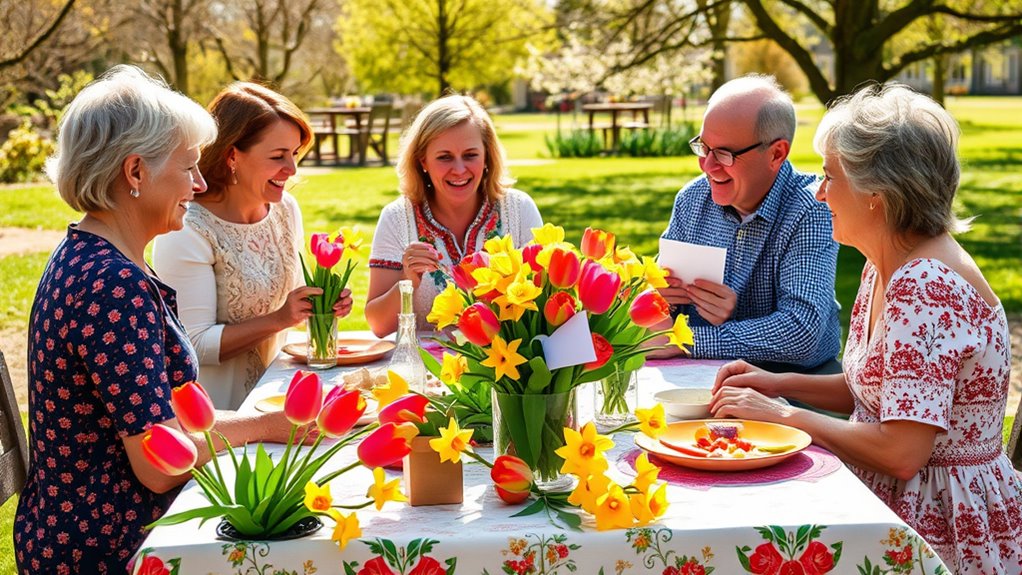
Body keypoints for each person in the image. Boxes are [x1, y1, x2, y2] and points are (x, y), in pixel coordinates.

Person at [711, 84, 1022, 573]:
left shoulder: (924, 286)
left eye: (830, 177)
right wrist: (777, 383)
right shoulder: (887, 264)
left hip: (937, 530)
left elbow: (902, 452)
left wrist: (787, 415)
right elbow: (880, 390)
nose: (818, 193)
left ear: (876, 194)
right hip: (894, 505)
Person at [14, 66, 297, 575]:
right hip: (108, 547)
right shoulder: (111, 284)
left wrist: (275, 423)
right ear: (136, 172)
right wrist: (270, 424)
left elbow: (166, 424)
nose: (201, 181)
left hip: (99, 529)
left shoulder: (95, 256)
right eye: (189, 166)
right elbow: (160, 463)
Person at [153, 82, 352, 409]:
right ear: (233, 156)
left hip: (277, 397)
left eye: (295, 153)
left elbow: (293, 300)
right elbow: (193, 343)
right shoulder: (187, 228)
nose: (292, 169)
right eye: (278, 156)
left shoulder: (285, 209)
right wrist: (280, 318)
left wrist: (322, 304)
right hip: (216, 417)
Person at [656, 75, 841, 374]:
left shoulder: (811, 207)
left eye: (725, 154)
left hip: (795, 383)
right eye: (704, 148)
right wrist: (658, 299)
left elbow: (801, 332)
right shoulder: (693, 200)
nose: (707, 166)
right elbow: (655, 304)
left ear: (776, 153)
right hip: (699, 375)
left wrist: (684, 341)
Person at [366, 94, 542, 336]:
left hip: (507, 368)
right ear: (423, 161)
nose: (459, 170)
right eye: (444, 157)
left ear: (487, 156)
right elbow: (378, 325)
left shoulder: (520, 209)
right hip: (424, 372)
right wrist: (408, 281)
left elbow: (542, 310)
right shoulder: (397, 218)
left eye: (470, 155)